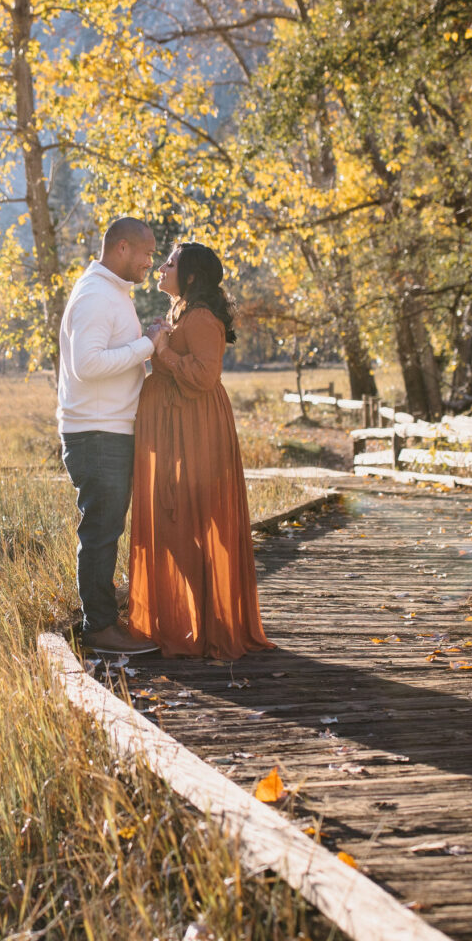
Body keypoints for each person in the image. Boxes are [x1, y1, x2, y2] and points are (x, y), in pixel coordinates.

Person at [127, 242, 273, 661]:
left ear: (189, 276)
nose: (159, 267)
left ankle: (212, 623)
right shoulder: (179, 313)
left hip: (195, 426)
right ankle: (190, 617)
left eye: (169, 263)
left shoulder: (203, 317)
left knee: (193, 517)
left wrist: (165, 352)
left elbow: (207, 376)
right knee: (173, 520)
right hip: (173, 426)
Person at [57, 217, 161, 654]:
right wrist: (148, 345)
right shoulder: (97, 296)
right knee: (100, 531)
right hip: (97, 435)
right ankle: (99, 629)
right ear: (121, 248)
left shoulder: (112, 292)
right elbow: (89, 364)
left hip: (107, 431)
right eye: (147, 254)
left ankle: (104, 619)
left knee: (105, 527)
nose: (151, 264)